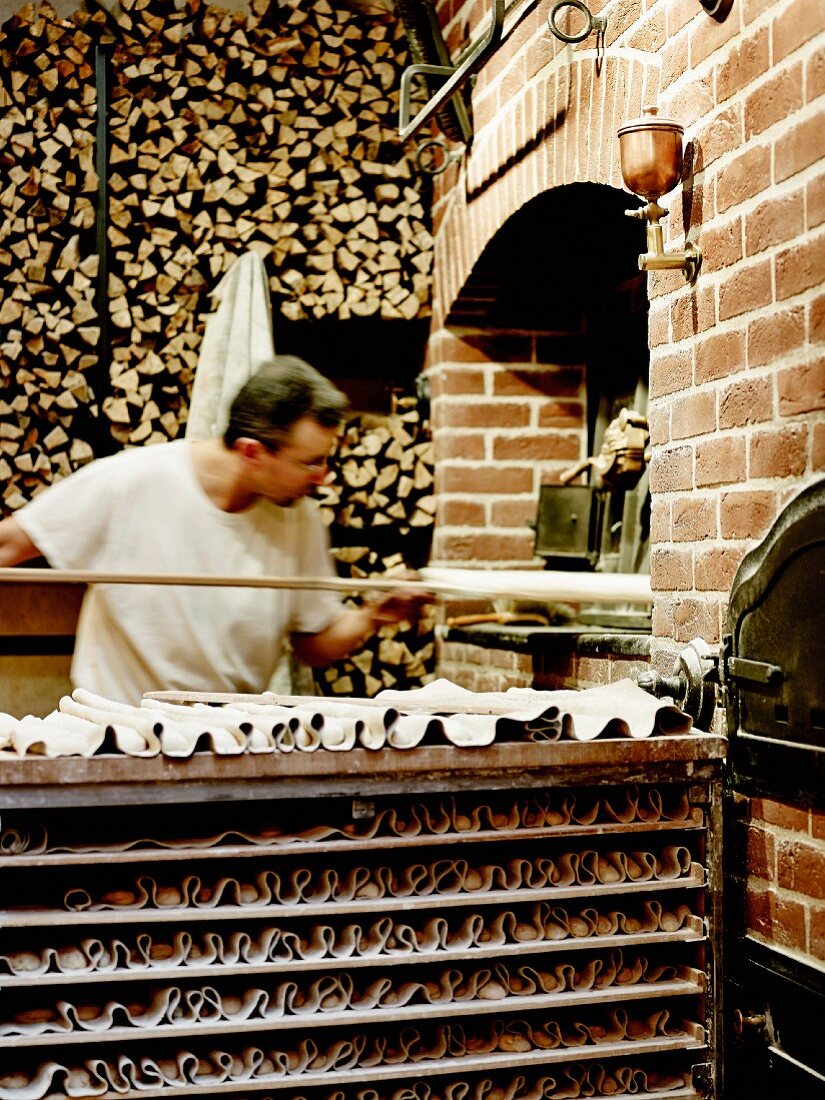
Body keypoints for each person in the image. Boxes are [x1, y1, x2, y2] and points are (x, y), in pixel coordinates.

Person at [0, 356, 426, 704]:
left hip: (227, 739)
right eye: (310, 463)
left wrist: (374, 616)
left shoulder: (299, 518)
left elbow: (311, 645)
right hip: (119, 736)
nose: (323, 477)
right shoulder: (132, 481)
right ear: (252, 452)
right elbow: (9, 544)